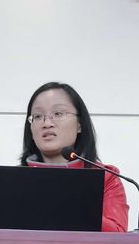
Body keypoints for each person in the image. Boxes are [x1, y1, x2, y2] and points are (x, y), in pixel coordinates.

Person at [20, 82, 129, 232]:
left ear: (80, 124)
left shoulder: (106, 178)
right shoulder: (12, 181)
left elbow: (118, 237)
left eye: (58, 114)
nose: (47, 123)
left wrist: (71, 206)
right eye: (38, 116)